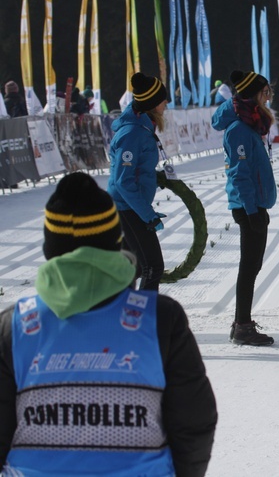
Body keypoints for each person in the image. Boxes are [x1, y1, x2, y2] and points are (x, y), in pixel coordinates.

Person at [0, 172, 217, 476]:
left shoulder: (15, 326)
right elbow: (194, 422)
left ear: (50, 249)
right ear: (116, 242)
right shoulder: (160, 319)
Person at [211, 70, 276, 346]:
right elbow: (239, 174)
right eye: (265, 93)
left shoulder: (249, 123)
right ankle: (243, 326)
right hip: (247, 205)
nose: (268, 98)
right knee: (249, 266)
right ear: (253, 95)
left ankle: (242, 322)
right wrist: (251, 212)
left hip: (254, 204)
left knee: (253, 264)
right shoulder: (239, 128)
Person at [108, 72, 169, 292]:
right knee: (153, 266)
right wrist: (148, 215)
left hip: (130, 204)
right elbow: (123, 181)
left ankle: (119, 315)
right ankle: (141, 322)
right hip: (127, 206)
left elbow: (136, 170)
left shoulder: (142, 125)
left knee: (132, 268)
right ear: (152, 103)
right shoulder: (132, 133)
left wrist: (153, 178)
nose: (166, 103)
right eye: (163, 99)